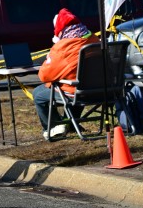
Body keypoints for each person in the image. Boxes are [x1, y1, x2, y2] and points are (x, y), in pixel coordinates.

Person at [32, 8, 96, 140]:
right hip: (100, 90)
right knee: (77, 84)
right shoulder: (94, 39)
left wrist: (49, 58)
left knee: (38, 94)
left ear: (60, 30)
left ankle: (54, 128)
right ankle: (70, 124)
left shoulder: (63, 47)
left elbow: (44, 76)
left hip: (77, 93)